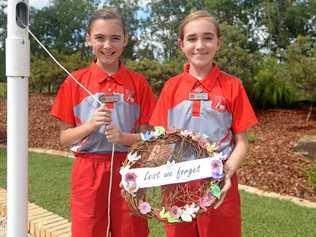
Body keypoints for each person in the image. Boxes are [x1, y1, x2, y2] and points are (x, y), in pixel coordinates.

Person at [150, 10, 257, 237]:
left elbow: (242, 142)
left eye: (208, 38)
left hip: (219, 182)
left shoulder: (232, 85)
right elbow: (161, 140)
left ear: (218, 42)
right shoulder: (171, 87)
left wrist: (227, 173)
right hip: (176, 184)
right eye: (192, 39)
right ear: (181, 44)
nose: (200, 45)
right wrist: (142, 173)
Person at [50, 8, 156, 237]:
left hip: (130, 168)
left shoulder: (139, 84)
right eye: (100, 38)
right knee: (87, 231)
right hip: (88, 170)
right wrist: (89, 126)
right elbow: (63, 138)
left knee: (132, 231)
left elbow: (150, 138)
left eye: (115, 38)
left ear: (125, 40)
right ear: (89, 39)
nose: (108, 45)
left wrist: (125, 138)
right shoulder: (74, 82)